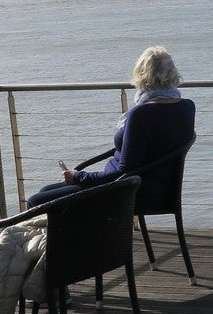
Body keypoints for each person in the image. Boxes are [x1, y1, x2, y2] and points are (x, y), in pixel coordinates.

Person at [27, 46, 196, 208]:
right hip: (159, 189)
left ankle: (69, 237)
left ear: (142, 75)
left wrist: (80, 176)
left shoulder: (141, 114)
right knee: (46, 192)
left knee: (37, 201)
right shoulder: (186, 107)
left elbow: (124, 171)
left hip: (127, 191)